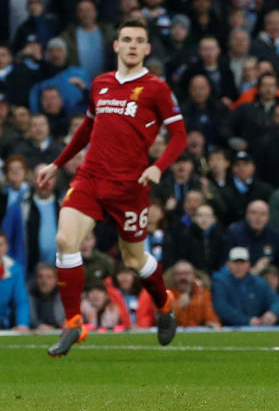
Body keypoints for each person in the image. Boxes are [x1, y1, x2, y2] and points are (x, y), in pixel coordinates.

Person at [37, 20, 186, 356]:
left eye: (139, 41)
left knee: (134, 260)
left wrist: (157, 166)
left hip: (131, 186)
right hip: (90, 177)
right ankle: (73, 323)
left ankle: (164, 304)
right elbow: (88, 128)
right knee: (64, 241)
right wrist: (57, 164)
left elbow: (180, 136)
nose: (132, 46)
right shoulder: (101, 84)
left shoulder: (156, 88)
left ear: (147, 49)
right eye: (126, 40)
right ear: (116, 46)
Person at [212, 247, 279, 327]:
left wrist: (273, 313)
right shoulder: (220, 281)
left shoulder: (259, 282)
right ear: (228, 264)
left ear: (248, 264)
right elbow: (222, 308)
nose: (239, 266)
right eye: (235, 262)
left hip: (255, 329)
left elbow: (277, 302)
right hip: (228, 328)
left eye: (242, 263)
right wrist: (247, 320)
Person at [138, 260, 220, 329]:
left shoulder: (202, 293)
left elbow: (211, 317)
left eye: (187, 274)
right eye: (179, 274)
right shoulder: (165, 293)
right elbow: (162, 320)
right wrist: (179, 307)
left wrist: (212, 323)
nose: (183, 278)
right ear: (173, 276)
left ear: (193, 275)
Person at [0, 232, 28, 331]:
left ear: (6, 247)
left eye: (0, 245)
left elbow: (21, 300)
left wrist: (22, 323)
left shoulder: (15, 270)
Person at [29, 262, 63, 330]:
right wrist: (38, 325)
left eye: (49, 277)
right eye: (40, 277)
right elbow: (31, 319)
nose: (44, 281)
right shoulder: (30, 294)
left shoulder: (64, 295)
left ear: (56, 280)